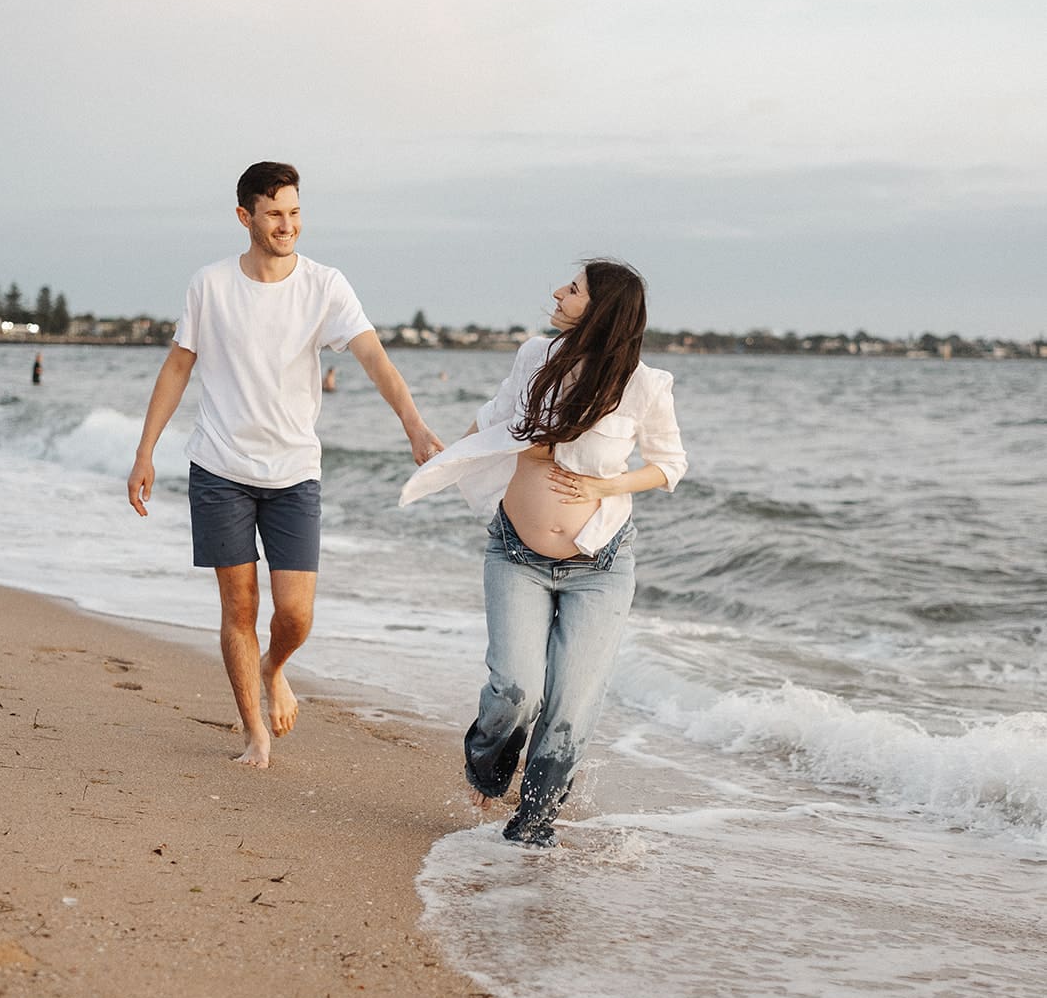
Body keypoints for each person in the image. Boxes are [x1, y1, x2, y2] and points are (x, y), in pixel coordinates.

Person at [127, 161, 442, 769]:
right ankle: (254, 736)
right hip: (219, 467)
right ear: (245, 216)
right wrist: (146, 451)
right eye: (274, 213)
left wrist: (412, 421)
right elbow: (177, 368)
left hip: (295, 472)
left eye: (295, 212)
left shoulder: (326, 286)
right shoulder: (210, 284)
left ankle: (275, 668)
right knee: (239, 607)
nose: (287, 224)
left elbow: (372, 356)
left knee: (295, 615)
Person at [400, 260, 687, 846]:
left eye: (574, 288)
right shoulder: (536, 356)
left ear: (602, 309)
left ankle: (533, 827)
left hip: (600, 566)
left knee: (570, 706)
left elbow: (671, 465)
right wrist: (436, 454)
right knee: (515, 689)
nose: (558, 292)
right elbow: (494, 421)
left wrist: (605, 487)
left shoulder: (644, 386)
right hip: (516, 553)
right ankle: (487, 762)